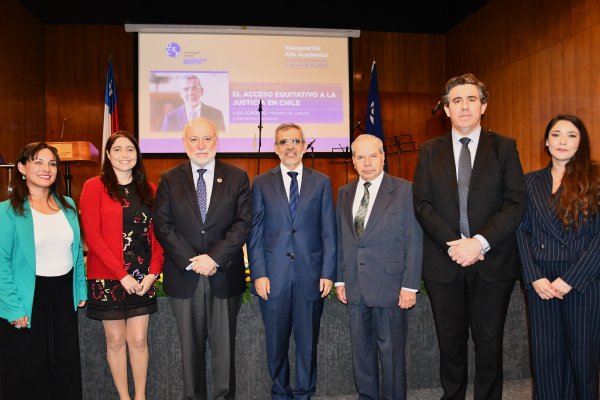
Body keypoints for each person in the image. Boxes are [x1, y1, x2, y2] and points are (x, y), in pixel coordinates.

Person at [412, 73, 526, 399]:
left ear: (483, 106)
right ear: (446, 109)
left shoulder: (504, 147)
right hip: (444, 262)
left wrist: (478, 243)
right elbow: (422, 204)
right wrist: (455, 245)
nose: (464, 106)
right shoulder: (429, 151)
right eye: (457, 101)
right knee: (450, 345)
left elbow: (515, 203)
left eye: (471, 99)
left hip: (492, 262)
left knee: (489, 345)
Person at [153, 117, 251, 400]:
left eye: (207, 138)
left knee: (224, 354)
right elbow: (163, 224)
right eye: (193, 139)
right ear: (184, 143)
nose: (200, 145)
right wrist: (192, 260)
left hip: (223, 275)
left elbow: (243, 223)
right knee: (189, 353)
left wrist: (213, 258)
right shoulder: (169, 178)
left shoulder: (237, 177)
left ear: (216, 141)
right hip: (186, 276)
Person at [247, 122, 336, 400]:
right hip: (273, 278)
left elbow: (328, 232)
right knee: (276, 344)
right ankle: (280, 393)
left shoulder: (322, 182)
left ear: (304, 146)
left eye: (295, 141)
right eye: (283, 142)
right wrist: (259, 273)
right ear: (275, 148)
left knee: (308, 344)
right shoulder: (261, 183)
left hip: (311, 276)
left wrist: (328, 272)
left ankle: (304, 394)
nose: (290, 147)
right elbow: (255, 234)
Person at [516, 114, 600, 400]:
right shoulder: (530, 181)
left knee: (583, 358)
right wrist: (534, 276)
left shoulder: (595, 179)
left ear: (581, 142)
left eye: (571, 135)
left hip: (583, 279)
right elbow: (521, 232)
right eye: (556, 134)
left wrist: (572, 279)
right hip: (542, 281)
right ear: (546, 141)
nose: (562, 141)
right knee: (546, 357)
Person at [335, 134, 422, 400]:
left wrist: (410, 285)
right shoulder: (344, 192)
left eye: (373, 155)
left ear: (383, 157)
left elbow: (414, 240)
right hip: (356, 286)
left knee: (392, 355)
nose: (367, 162)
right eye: (360, 157)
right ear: (353, 161)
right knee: (361, 353)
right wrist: (341, 279)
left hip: (391, 287)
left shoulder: (405, 190)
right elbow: (341, 238)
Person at [79, 131, 164, 400]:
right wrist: (121, 275)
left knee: (138, 340)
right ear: (108, 154)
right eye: (117, 149)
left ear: (137, 154)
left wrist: (153, 272)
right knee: (115, 341)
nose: (124, 155)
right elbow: (93, 235)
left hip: (142, 278)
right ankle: (124, 397)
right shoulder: (94, 186)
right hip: (107, 276)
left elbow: (159, 235)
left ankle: (140, 396)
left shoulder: (150, 189)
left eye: (130, 149)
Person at [0, 142, 87, 399]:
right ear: (22, 168)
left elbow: (76, 252)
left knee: (65, 365)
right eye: (38, 162)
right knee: (30, 369)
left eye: (51, 163)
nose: (46, 169)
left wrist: (80, 288)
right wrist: (13, 308)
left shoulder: (68, 205)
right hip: (28, 298)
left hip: (63, 296)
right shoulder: (7, 211)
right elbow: (2, 264)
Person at [161, 74, 226, 132]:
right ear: (181, 94)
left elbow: (222, 140)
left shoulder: (216, 115)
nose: (190, 93)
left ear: (202, 91)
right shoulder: (170, 118)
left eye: (194, 88)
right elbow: (164, 141)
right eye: (186, 89)